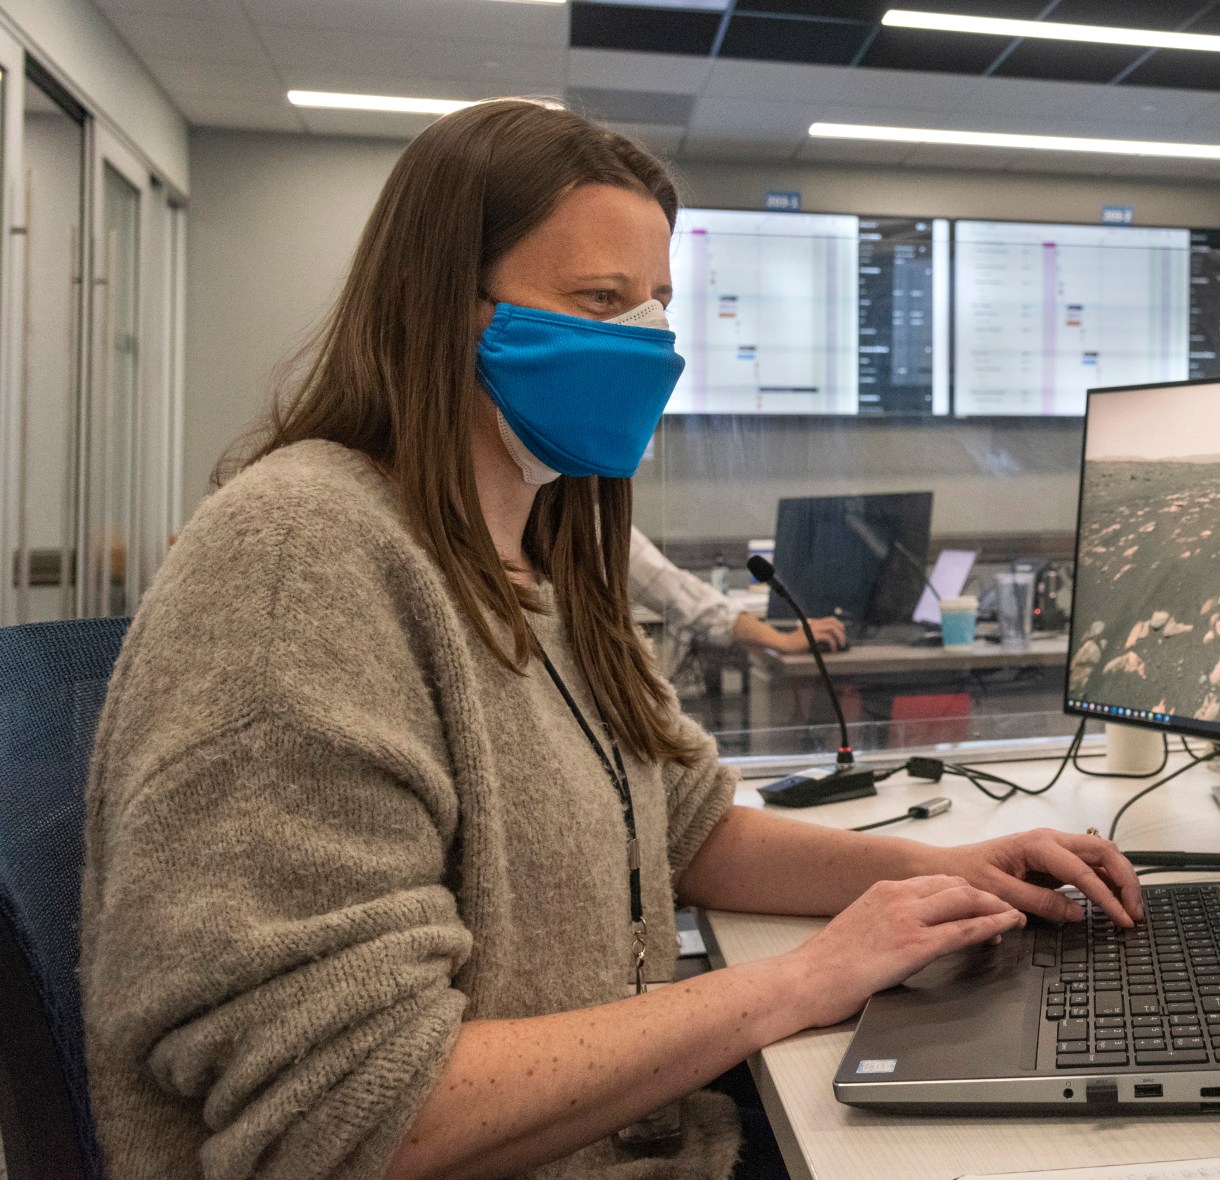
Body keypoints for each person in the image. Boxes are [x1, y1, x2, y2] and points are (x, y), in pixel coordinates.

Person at [79, 98, 1141, 1180]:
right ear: (444, 306)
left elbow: (683, 830)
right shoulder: (298, 560)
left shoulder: (541, 551)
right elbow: (346, 1110)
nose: (644, 343)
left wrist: (944, 870)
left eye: (656, 305)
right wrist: (803, 978)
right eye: (598, 299)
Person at [625, 526, 846, 696]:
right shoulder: (596, 524)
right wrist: (783, 640)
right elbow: (680, 595)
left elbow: (681, 594)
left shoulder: (598, 520)